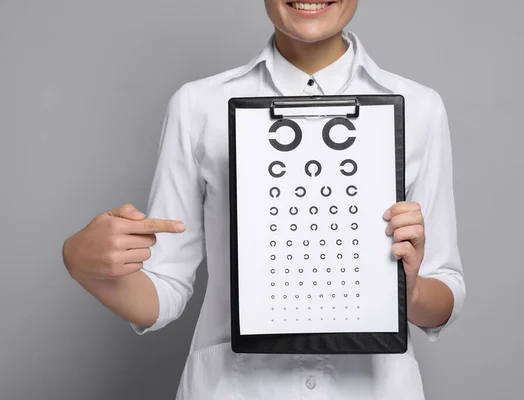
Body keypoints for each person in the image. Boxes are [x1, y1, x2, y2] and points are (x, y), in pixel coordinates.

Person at [62, 1, 465, 398]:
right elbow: (163, 290)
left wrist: (408, 291)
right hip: (236, 387)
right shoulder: (198, 106)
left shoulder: (420, 109)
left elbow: (445, 287)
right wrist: (83, 264)